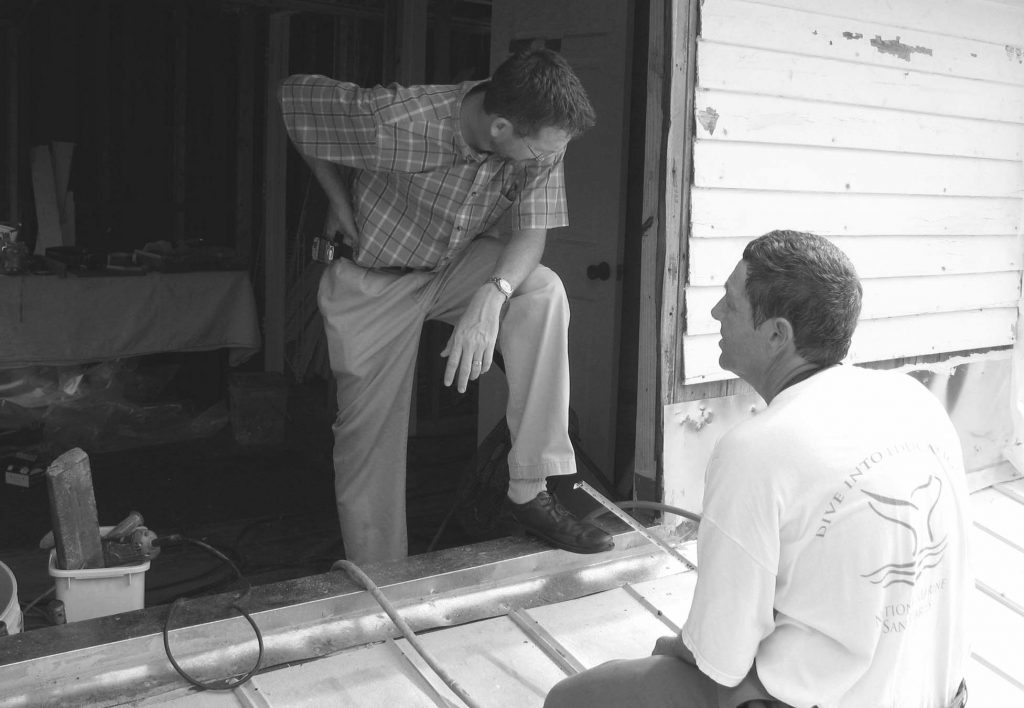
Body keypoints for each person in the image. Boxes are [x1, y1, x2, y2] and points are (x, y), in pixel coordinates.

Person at [545, 230, 972, 708]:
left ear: (776, 335)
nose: (715, 315)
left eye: (730, 303)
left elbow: (720, 657)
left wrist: (680, 650)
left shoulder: (756, 450)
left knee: (571, 699)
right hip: (940, 694)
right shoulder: (913, 399)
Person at [277, 49, 614, 565]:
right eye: (539, 152)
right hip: (374, 279)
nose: (549, 159)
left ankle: (529, 487)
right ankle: (381, 574)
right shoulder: (394, 119)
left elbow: (531, 232)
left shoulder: (541, 138)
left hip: (457, 267)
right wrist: (334, 194)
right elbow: (294, 98)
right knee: (367, 439)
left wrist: (493, 292)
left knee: (542, 291)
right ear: (500, 127)